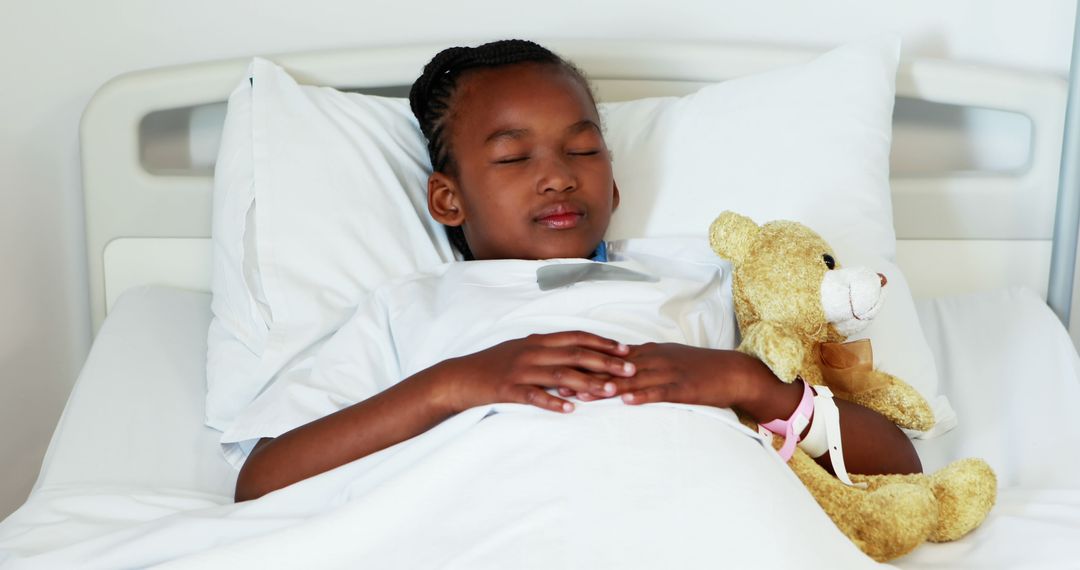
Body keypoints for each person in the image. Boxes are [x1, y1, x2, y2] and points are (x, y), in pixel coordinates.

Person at [231, 39, 920, 503]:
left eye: (583, 150)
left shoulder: (695, 282)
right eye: (512, 158)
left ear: (615, 187)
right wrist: (452, 385)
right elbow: (262, 480)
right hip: (481, 516)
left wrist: (745, 383)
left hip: (691, 507)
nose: (558, 178)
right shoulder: (410, 307)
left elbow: (897, 463)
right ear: (448, 198)